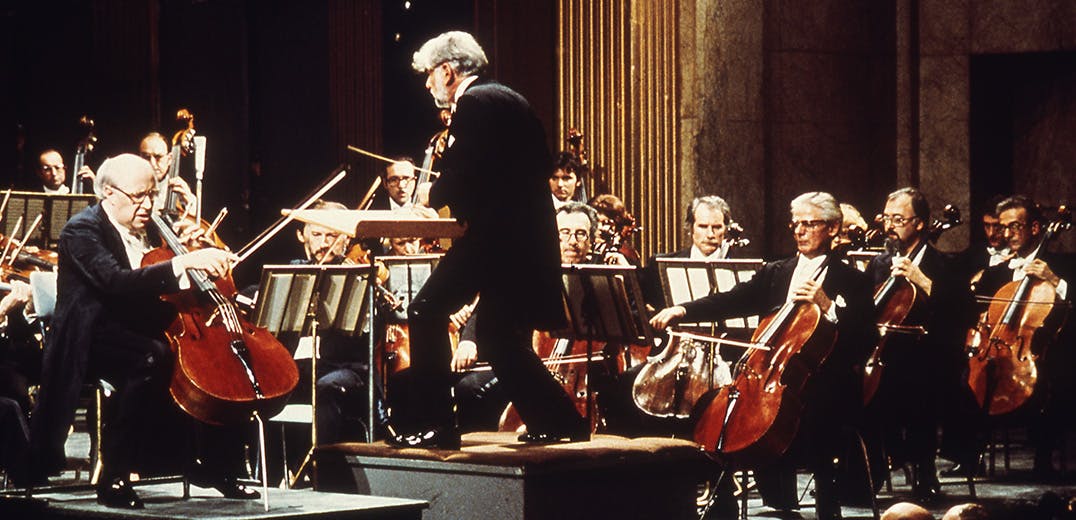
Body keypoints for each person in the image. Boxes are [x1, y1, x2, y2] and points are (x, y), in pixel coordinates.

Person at [388, 31, 585, 449]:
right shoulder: (509, 98)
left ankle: (437, 426)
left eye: (429, 75)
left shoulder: (474, 103)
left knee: (425, 309)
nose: (428, 85)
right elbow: (506, 170)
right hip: (522, 243)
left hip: (495, 243)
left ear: (448, 71)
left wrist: (431, 196)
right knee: (497, 337)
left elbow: (465, 174)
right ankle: (561, 420)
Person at [28, 154, 256, 508]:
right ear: (108, 193)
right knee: (151, 357)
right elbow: (116, 282)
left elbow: (165, 279)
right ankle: (115, 475)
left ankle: (215, 464)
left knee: (213, 363)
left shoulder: (153, 225)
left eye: (152, 195)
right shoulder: (82, 230)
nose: (148, 205)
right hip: (91, 334)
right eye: (139, 196)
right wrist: (183, 261)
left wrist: (198, 248)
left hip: (144, 325)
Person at [651, 192, 877, 520]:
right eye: (795, 224)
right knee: (717, 413)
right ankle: (724, 505)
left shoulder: (853, 280)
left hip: (827, 384)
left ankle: (827, 508)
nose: (800, 231)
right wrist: (682, 310)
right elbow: (731, 299)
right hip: (775, 380)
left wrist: (828, 307)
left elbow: (865, 340)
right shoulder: (777, 271)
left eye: (809, 224)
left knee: (818, 413)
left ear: (832, 228)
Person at [862, 187, 971, 501]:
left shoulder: (944, 264)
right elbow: (865, 310)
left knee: (918, 383)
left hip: (932, 355)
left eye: (898, 219)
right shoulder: (880, 263)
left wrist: (921, 280)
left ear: (919, 223)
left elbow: (963, 310)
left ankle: (924, 468)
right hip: (886, 352)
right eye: (887, 218)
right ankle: (873, 467)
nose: (889, 226)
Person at [970, 195, 1071, 481]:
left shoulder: (1059, 265)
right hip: (1000, 347)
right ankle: (970, 453)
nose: (1006, 234)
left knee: (1056, 375)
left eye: (1014, 226)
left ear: (1035, 228)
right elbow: (977, 308)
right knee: (970, 372)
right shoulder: (996, 272)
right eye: (1003, 227)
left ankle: (1044, 456)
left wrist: (1054, 280)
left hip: (1047, 349)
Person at [640, 195, 735, 310]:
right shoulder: (659, 265)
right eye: (703, 226)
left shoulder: (741, 269)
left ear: (726, 229)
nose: (710, 234)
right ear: (691, 228)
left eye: (717, 227)